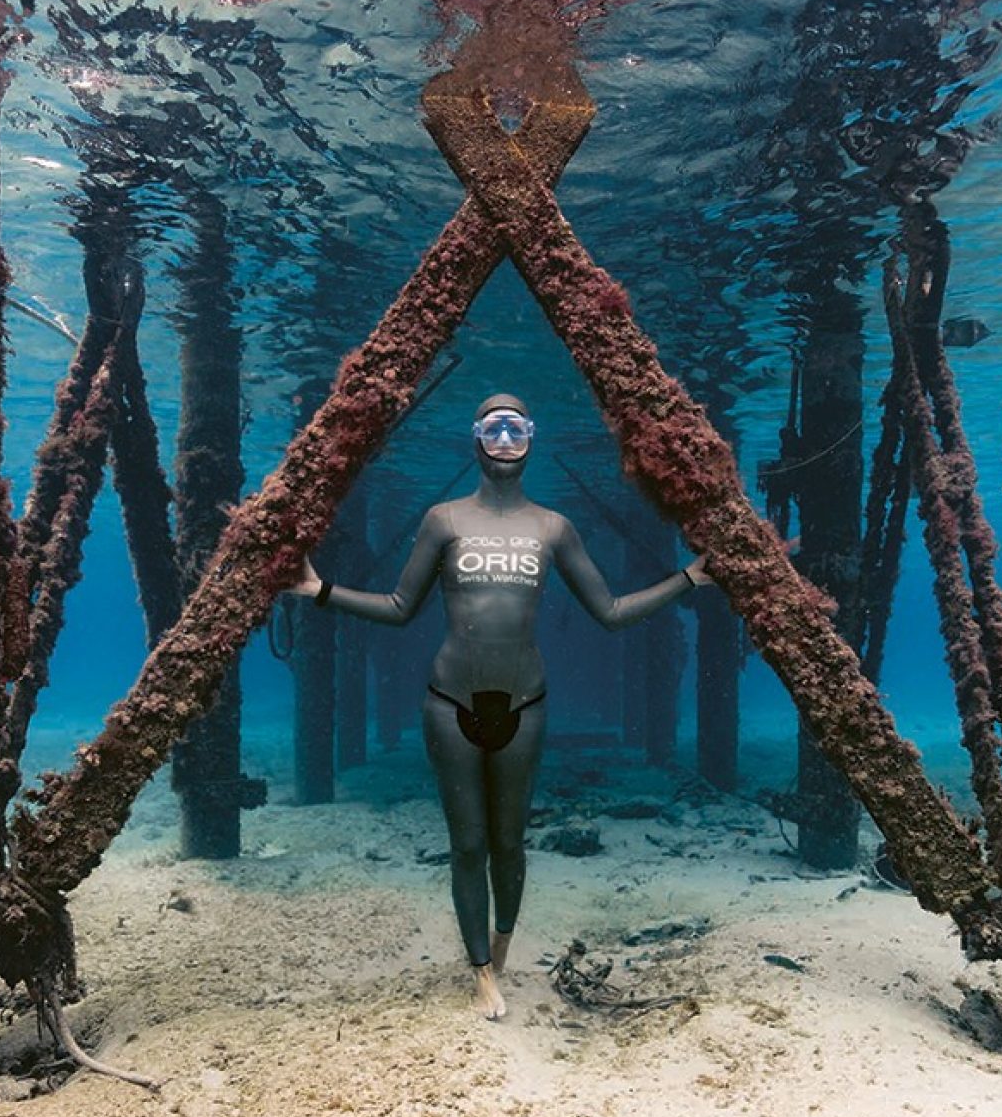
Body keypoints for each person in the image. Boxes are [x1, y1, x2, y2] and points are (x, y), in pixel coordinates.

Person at [293, 393, 711, 1020]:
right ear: (477, 439)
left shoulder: (553, 527)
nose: (507, 439)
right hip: (447, 702)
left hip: (526, 703)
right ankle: (481, 973)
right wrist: (320, 590)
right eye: (495, 428)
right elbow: (400, 607)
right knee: (468, 846)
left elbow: (612, 612)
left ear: (532, 439)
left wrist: (688, 579)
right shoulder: (443, 520)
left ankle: (501, 945)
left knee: (510, 844)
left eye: (517, 428)